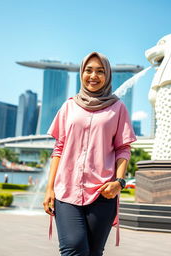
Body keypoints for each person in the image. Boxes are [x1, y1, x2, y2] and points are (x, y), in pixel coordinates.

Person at [43, 52, 136, 256]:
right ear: (82, 73)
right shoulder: (69, 106)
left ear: (108, 75)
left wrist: (119, 182)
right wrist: (49, 189)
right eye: (89, 70)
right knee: (74, 246)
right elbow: (59, 148)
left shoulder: (118, 108)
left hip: (103, 191)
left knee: (94, 252)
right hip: (66, 191)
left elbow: (123, 148)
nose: (94, 75)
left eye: (100, 71)